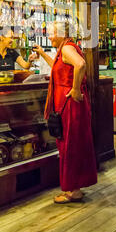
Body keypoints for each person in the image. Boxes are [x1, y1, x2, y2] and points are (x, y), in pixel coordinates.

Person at [33, 22, 97, 203]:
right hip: (68, 102)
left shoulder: (68, 48)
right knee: (73, 142)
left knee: (70, 144)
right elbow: (58, 66)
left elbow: (81, 64)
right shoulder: (65, 49)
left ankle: (73, 191)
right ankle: (75, 186)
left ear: (61, 34)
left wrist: (76, 89)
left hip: (70, 101)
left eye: (52, 33)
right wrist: (43, 54)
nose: (50, 36)